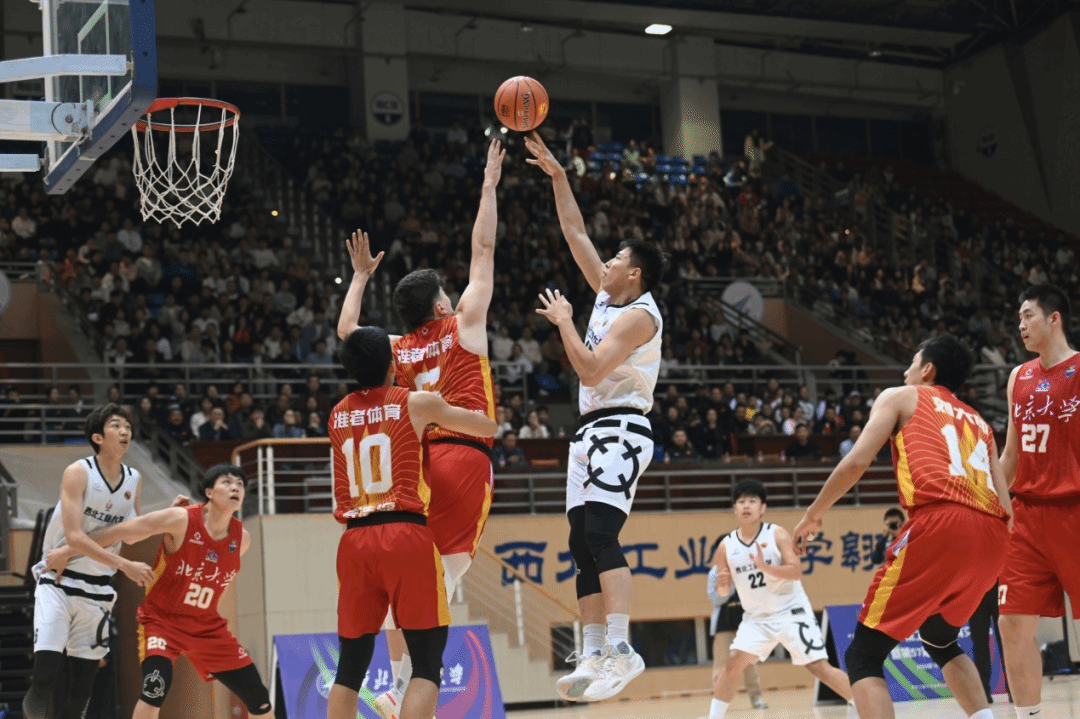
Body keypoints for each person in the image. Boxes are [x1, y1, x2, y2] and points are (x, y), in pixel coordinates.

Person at [334, 140, 505, 718]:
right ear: (440, 307)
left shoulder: (395, 349)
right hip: (465, 456)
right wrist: (488, 186)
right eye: (446, 295)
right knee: (441, 584)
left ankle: (394, 681)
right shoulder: (465, 324)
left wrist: (359, 277)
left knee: (411, 582)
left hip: (422, 470)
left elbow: (348, 333)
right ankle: (403, 684)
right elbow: (484, 249)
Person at [792, 336, 1012, 719]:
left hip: (941, 519)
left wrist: (814, 512)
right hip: (994, 535)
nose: (906, 370)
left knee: (863, 655)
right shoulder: (981, 423)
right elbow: (1005, 503)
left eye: (912, 362)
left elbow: (857, 461)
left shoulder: (902, 396)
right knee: (940, 638)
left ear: (927, 369)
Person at [527, 130, 666, 702]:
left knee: (602, 533)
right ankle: (590, 653)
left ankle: (622, 647)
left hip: (622, 428)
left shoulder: (639, 316)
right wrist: (560, 176)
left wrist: (564, 321)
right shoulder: (610, 296)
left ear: (634, 274)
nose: (605, 262)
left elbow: (587, 372)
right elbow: (575, 232)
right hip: (590, 432)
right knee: (580, 541)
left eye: (616, 260)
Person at [327, 326, 497, 719]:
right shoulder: (415, 402)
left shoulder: (336, 414)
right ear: (393, 366)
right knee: (426, 665)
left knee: (349, 670)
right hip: (405, 533)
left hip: (354, 539)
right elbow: (486, 427)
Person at [44, 465, 273, 719]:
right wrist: (68, 551)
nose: (235, 488)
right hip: (162, 621)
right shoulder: (181, 519)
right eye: (227, 482)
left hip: (206, 627)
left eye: (240, 484)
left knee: (259, 699)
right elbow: (121, 532)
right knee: (155, 688)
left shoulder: (242, 540)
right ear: (209, 492)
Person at [23, 405, 154, 719]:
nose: (125, 431)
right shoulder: (78, 472)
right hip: (59, 580)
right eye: (116, 425)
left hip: (98, 590)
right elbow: (75, 537)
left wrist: (168, 517)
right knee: (44, 677)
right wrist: (124, 565)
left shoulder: (134, 479)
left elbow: (131, 534)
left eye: (127, 426)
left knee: (82, 690)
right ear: (98, 437)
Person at [997, 285, 1080, 719]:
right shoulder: (1018, 377)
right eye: (1019, 318)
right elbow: (1010, 457)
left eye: (1028, 315)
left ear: (1054, 318)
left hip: (1075, 510)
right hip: (1027, 516)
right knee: (1011, 624)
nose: (1021, 325)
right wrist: (987, 503)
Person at [704, 479, 852, 719]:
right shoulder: (726, 546)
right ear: (734, 509)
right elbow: (722, 592)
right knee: (733, 661)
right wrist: (722, 586)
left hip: (790, 612)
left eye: (752, 501)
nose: (746, 505)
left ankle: (867, 709)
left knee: (819, 668)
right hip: (756, 618)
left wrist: (765, 567)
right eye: (741, 501)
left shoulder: (777, 534)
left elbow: (796, 571)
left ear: (763, 507)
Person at [706, 539, 767, 710]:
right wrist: (729, 585)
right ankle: (719, 703)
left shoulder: (746, 569)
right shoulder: (714, 572)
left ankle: (757, 698)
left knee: (749, 663)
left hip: (745, 622)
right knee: (721, 664)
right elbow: (714, 598)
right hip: (723, 624)